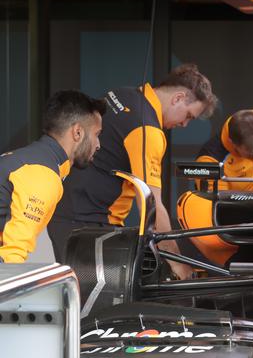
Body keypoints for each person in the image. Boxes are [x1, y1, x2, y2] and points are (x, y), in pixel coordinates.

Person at [48, 63, 217, 280]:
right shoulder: (148, 130)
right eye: (189, 116)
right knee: (92, 303)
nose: (184, 124)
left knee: (78, 296)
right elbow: (151, 205)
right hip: (88, 224)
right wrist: (177, 263)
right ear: (178, 98)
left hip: (67, 209)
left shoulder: (123, 94)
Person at [0, 91, 103, 263]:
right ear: (77, 132)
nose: (98, 144)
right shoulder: (43, 174)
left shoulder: (24, 159)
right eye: (97, 134)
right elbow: (11, 258)